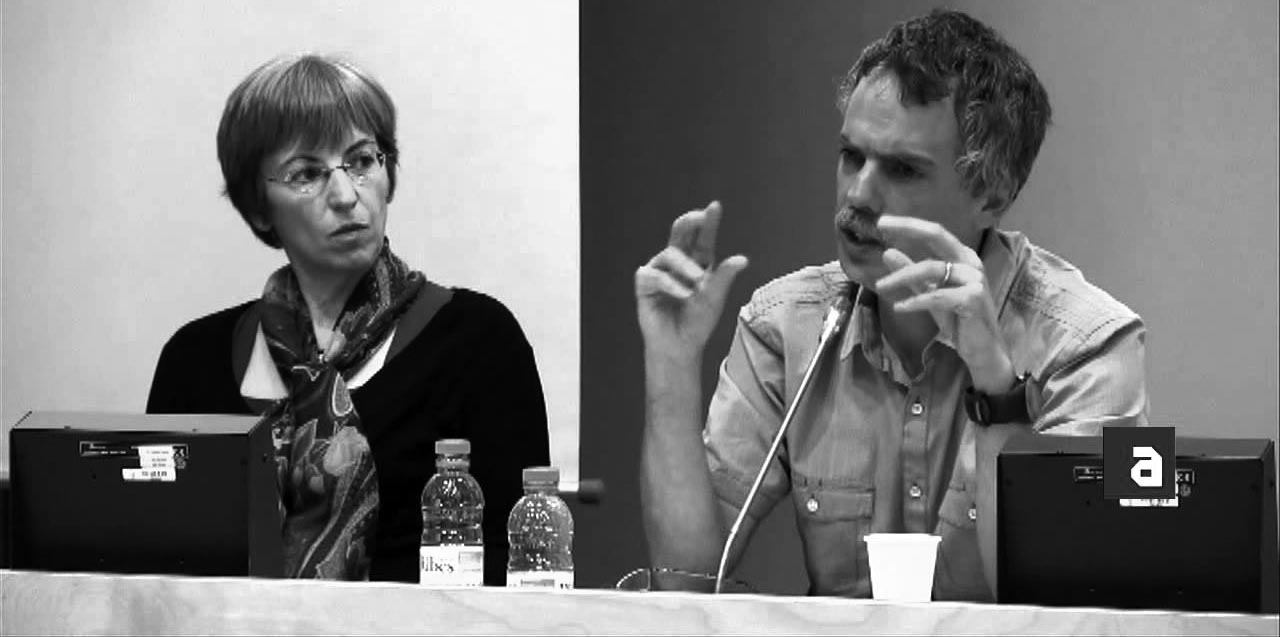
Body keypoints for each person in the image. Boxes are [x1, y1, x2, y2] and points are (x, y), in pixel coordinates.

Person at [634, 9, 1148, 600]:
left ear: (992, 193)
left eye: (902, 169)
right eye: (851, 156)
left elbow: (1067, 604)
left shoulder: (1089, 347)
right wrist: (671, 363)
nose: (858, 194)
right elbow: (687, 580)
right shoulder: (788, 326)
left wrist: (996, 388)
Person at [147, 54, 550, 584]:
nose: (345, 195)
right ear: (259, 206)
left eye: (361, 161)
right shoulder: (193, 360)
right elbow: (157, 565)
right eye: (307, 174)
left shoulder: (478, 341)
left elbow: (518, 576)